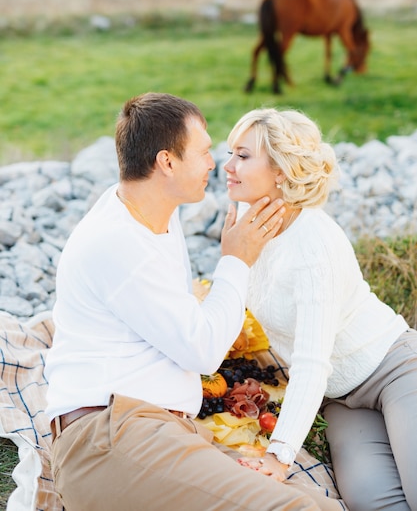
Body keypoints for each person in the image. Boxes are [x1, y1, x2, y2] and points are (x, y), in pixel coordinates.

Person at [45, 92, 343, 511]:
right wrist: (236, 261)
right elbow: (203, 351)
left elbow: (184, 327)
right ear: (167, 162)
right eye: (205, 152)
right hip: (110, 441)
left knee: (313, 497)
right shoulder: (118, 242)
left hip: (153, 432)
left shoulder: (155, 214)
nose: (214, 164)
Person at [224, 107, 417, 511]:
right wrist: (231, 257)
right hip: (342, 398)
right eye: (230, 154)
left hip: (394, 369)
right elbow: (230, 304)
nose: (228, 166)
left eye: (242, 156)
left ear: (280, 170)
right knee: (374, 502)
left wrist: (280, 455)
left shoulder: (314, 243)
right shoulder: (247, 219)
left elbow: (312, 362)